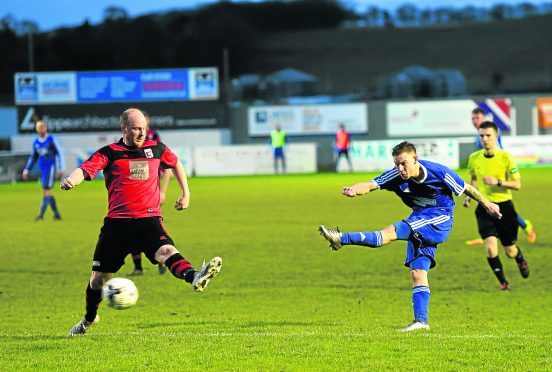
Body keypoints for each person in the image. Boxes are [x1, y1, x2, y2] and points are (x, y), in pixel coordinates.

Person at [62, 107, 222, 337]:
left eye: (143, 129)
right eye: (136, 128)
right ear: (124, 128)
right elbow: (85, 169)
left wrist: (186, 194)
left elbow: (175, 163)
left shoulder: (155, 149)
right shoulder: (110, 152)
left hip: (148, 220)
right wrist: (71, 180)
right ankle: (88, 319)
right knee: (98, 280)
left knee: (167, 251)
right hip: (117, 225)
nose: (141, 133)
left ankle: (195, 275)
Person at [319, 141, 501, 332]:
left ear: (415, 159)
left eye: (403, 163)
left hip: (439, 218)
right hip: (419, 218)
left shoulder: (438, 172)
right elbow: (371, 184)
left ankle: (341, 239)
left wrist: (487, 204)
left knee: (389, 233)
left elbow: (466, 188)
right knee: (418, 273)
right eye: (396, 163)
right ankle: (421, 321)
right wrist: (355, 190)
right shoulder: (396, 174)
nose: (400, 168)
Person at [464, 121, 530, 290]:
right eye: (481, 136)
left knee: (510, 251)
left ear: (496, 137)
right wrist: (469, 197)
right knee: (491, 249)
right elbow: (473, 178)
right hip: (485, 208)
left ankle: (519, 257)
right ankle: (503, 283)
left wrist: (498, 182)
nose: (484, 139)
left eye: (488, 136)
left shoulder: (506, 157)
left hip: (505, 208)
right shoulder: (474, 158)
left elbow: (517, 185)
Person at [465, 108, 536, 245]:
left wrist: (497, 176)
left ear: (484, 117)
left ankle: (525, 226)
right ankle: (488, 234)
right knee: (489, 207)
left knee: (502, 208)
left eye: (477, 118)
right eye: (473, 118)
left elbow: (498, 152)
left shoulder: (491, 132)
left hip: (495, 174)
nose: (475, 121)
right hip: (484, 175)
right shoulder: (480, 134)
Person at [128, 127, 171, 276]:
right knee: (134, 233)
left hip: (151, 198)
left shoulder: (154, 150)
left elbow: (168, 169)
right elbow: (136, 179)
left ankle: (161, 262)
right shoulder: (132, 154)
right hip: (136, 200)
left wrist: (162, 192)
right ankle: (138, 267)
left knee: (152, 231)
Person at [22, 120, 64, 221]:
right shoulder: (36, 142)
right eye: (39, 127)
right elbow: (33, 157)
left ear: (46, 128)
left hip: (51, 168)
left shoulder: (51, 139)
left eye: (42, 127)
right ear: (36, 129)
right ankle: (57, 215)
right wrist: (27, 169)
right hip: (43, 169)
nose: (41, 129)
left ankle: (41, 215)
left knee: (46, 191)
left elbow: (60, 153)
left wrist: (61, 167)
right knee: (47, 192)